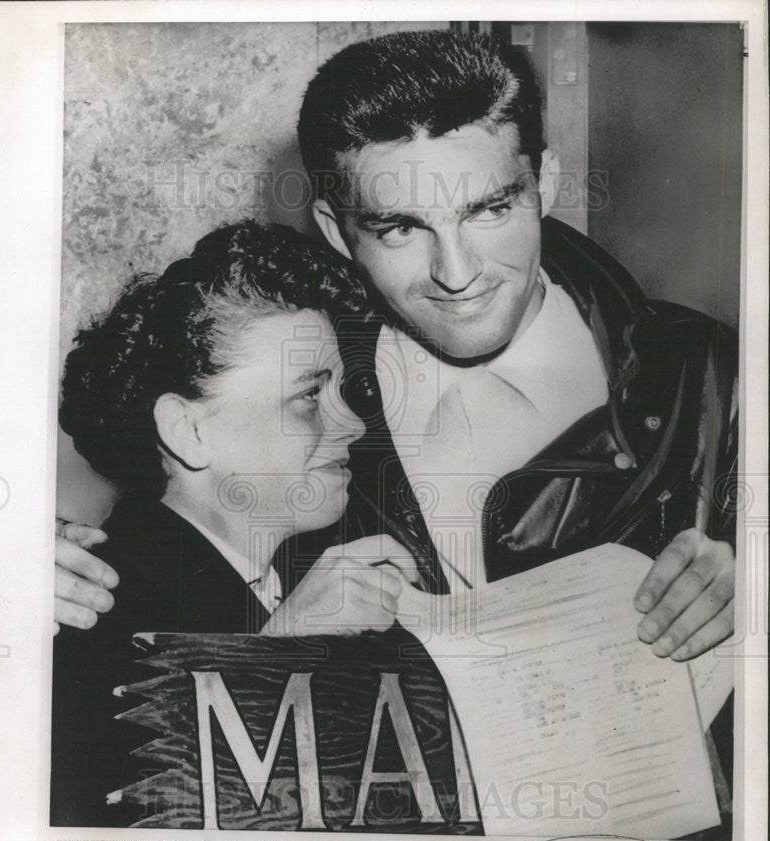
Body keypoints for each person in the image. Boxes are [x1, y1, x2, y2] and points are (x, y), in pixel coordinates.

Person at [55, 29, 736, 669]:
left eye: (490, 210)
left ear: (545, 185)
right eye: (401, 228)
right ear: (335, 229)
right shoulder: (297, 387)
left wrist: (756, 584)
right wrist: (34, 574)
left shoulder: (705, 377)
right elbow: (162, 556)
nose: (458, 272)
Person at [51, 219, 419, 826]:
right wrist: (281, 654)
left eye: (343, 391)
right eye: (308, 396)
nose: (352, 425)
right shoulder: (89, 610)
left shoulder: (305, 582)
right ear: (189, 431)